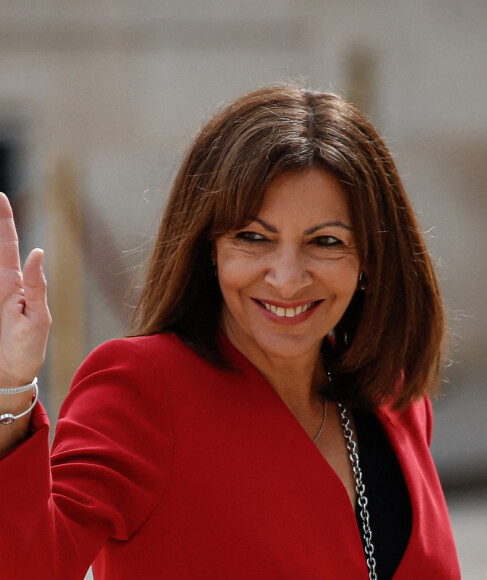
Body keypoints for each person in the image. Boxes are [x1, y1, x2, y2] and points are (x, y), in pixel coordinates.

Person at [0, 85, 460, 579]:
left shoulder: (393, 394)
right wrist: (9, 387)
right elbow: (29, 567)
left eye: (325, 242)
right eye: (253, 238)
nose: (287, 277)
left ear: (370, 256)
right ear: (209, 248)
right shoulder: (144, 388)